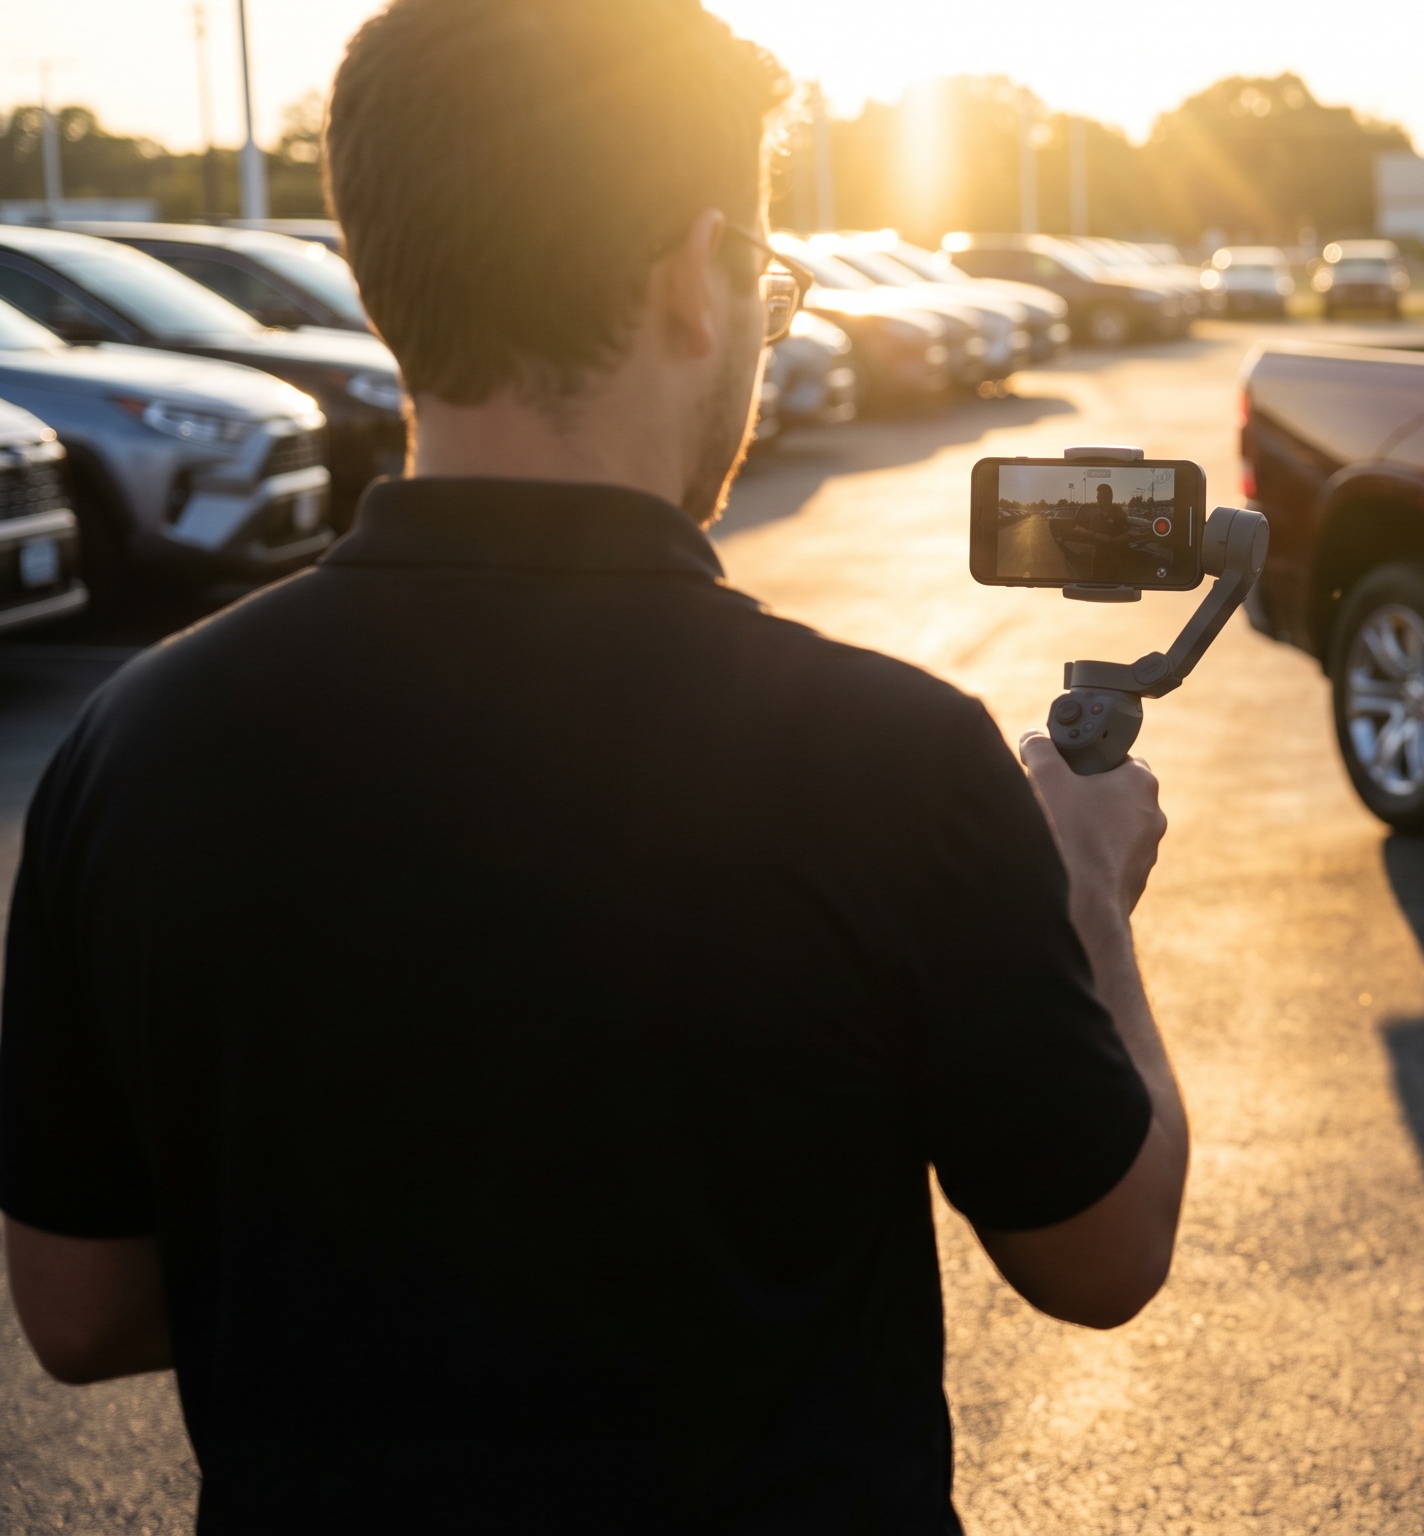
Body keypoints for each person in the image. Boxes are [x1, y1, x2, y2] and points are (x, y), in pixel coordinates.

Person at [0, 2, 1187, 1530]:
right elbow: (1103, 1254)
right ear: (698, 277)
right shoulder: (891, 762)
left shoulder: (133, 748)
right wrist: (1086, 891)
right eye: (769, 284)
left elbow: (80, 1310)